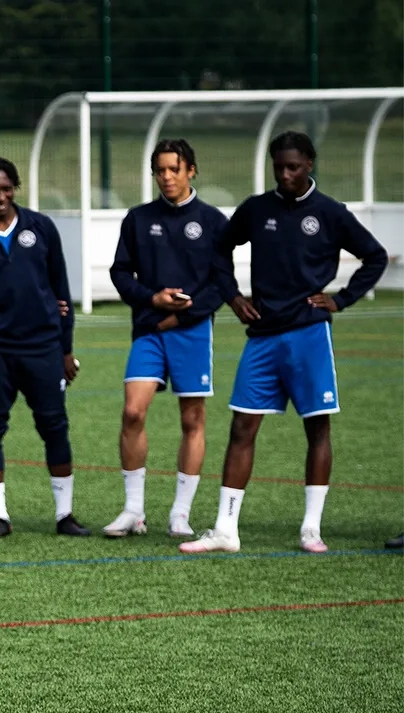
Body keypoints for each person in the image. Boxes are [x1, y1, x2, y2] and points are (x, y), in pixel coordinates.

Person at [182, 131, 388, 555]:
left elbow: (376, 256)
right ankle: (226, 530)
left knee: (317, 427)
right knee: (242, 426)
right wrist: (233, 297)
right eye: (279, 167)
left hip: (309, 335)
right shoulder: (257, 209)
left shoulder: (331, 213)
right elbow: (218, 251)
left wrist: (342, 299)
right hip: (262, 337)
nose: (285, 174)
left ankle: (311, 529)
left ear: (310, 164)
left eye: (293, 167)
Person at [105, 138, 237, 539]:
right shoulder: (137, 219)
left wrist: (182, 314)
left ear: (191, 170)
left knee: (191, 419)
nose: (166, 177)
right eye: (159, 170)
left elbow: (222, 285)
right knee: (132, 412)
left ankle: (180, 513)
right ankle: (133, 511)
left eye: (173, 169)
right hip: (149, 330)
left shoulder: (214, 222)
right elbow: (120, 273)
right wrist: (153, 299)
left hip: (193, 332)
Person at [0, 156, 88, 539]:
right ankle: (0, 517)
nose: (0, 196)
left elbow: (61, 290)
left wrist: (65, 350)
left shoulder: (41, 228)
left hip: (44, 349)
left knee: (54, 427)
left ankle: (65, 516)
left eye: (6, 188)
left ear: (16, 188)